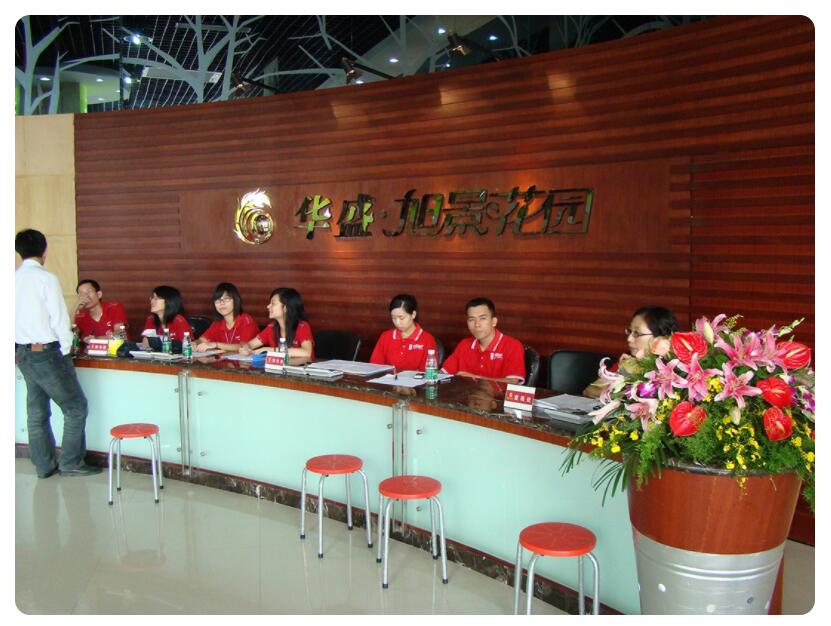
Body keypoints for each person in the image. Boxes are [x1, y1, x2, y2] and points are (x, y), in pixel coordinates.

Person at [15, 229, 101, 477]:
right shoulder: (46, 278)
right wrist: (65, 350)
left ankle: (43, 465)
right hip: (47, 352)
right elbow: (59, 318)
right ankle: (71, 462)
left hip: (23, 353)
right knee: (76, 407)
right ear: (44, 251)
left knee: (36, 411)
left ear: (19, 252)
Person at [582, 305, 679, 399]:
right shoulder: (628, 362)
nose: (629, 339)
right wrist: (624, 375)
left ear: (661, 337)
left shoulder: (675, 369)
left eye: (637, 333)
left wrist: (625, 393)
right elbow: (589, 391)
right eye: (630, 331)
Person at [440, 297, 526, 383]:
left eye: (482, 318)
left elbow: (512, 381)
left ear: (494, 321)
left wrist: (476, 378)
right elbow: (443, 374)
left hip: (497, 393)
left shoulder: (513, 346)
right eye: (471, 319)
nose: (477, 324)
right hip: (465, 392)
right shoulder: (464, 344)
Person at [240, 287, 314, 360]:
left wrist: (271, 350)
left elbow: (306, 352)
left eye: (273, 303)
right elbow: (250, 345)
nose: (268, 306)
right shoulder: (271, 328)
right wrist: (245, 349)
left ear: (285, 308)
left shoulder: (302, 326)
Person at [370, 294, 437, 371]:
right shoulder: (385, 336)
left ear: (413, 314)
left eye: (401, 318)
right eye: (393, 318)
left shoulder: (427, 339)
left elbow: (428, 372)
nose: (397, 322)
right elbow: (375, 366)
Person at [194, 283, 259, 352]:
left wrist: (216, 345)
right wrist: (195, 343)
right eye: (218, 300)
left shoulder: (246, 320)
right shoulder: (217, 323)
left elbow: (244, 347)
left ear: (236, 300)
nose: (221, 303)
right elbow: (202, 339)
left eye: (226, 299)